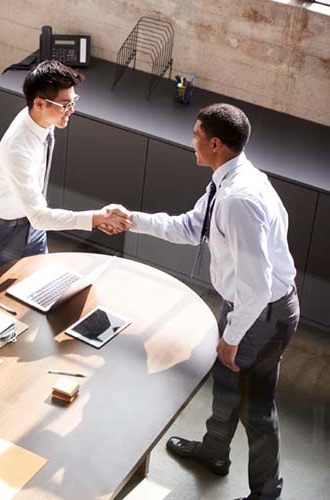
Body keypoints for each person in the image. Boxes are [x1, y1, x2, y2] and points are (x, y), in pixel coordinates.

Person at [125, 103, 299, 500]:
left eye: (196, 136)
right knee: (226, 384)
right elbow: (189, 227)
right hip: (249, 307)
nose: (192, 142)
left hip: (261, 314)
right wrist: (133, 219)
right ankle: (215, 452)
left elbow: (255, 287)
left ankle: (266, 494)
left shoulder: (240, 199)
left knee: (256, 409)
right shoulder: (228, 180)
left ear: (216, 144)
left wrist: (234, 335)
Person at [0, 60, 132, 283]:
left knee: (36, 288)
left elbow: (38, 217)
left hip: (32, 224)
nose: (71, 111)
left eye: (73, 102)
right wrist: (95, 218)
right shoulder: (19, 149)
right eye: (65, 105)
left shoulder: (40, 118)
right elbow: (40, 216)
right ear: (39, 103)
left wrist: (95, 219)